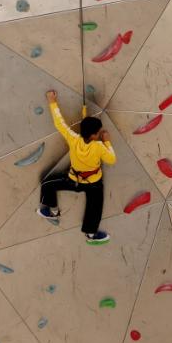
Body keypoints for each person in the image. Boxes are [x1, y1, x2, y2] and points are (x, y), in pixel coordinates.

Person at [38, 90, 115, 245]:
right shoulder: (99, 146)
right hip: (94, 183)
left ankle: (53, 211)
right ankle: (91, 234)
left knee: (47, 184)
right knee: (95, 206)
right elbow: (111, 159)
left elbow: (59, 123)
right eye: (98, 132)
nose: (100, 134)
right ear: (94, 135)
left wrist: (52, 101)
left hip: (74, 180)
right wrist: (107, 141)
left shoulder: (73, 139)